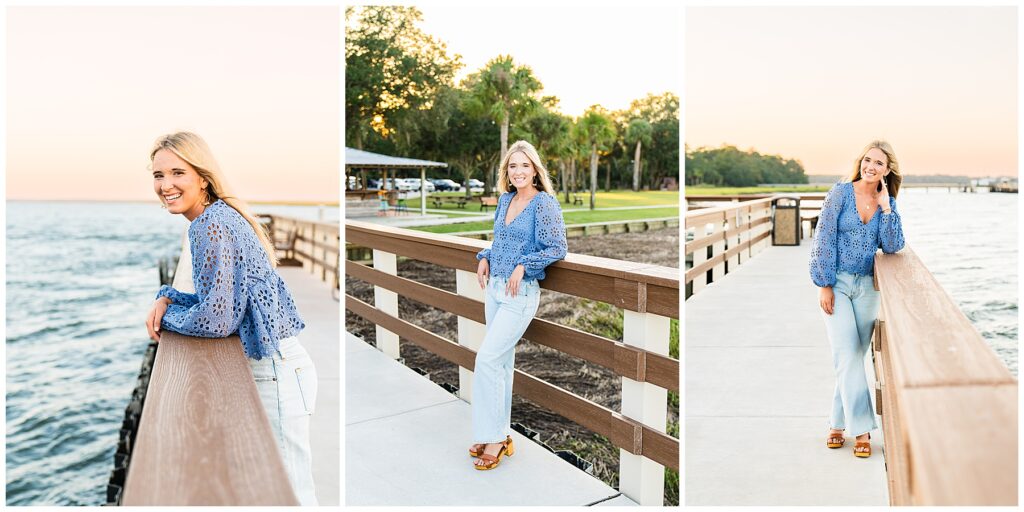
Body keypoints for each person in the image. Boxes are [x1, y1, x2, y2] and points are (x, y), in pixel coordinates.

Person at [144, 132, 318, 504]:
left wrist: (169, 315)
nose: (166, 185)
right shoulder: (218, 216)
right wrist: (169, 295)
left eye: (178, 173)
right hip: (280, 366)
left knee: (293, 496)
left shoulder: (209, 225)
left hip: (276, 372)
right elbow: (222, 297)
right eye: (159, 175)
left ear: (202, 177)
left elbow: (216, 319)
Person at [470, 140, 568, 470]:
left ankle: (495, 439)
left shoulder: (545, 204)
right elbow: (501, 241)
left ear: (535, 169)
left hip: (520, 294)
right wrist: (485, 256)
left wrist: (524, 265)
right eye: (513, 166)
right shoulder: (505, 199)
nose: (518, 171)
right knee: (499, 364)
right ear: (506, 172)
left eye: (525, 165)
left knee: (486, 359)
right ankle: (495, 432)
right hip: (495, 288)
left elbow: (557, 247)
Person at [809, 140, 905, 459]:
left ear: (887, 170)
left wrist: (887, 207)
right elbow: (823, 237)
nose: (870, 166)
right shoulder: (840, 193)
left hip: (868, 287)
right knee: (847, 353)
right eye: (867, 160)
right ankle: (862, 430)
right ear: (860, 162)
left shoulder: (885, 201)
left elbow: (892, 246)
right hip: (836, 283)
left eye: (879, 163)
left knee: (852, 358)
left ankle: (837, 423)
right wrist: (824, 284)